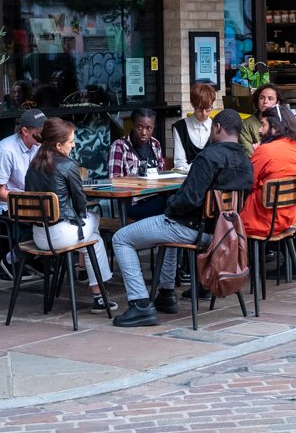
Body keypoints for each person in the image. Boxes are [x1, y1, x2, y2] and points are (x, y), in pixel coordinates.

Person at [111, 111, 254, 327]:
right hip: (224, 235)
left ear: (216, 128)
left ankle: (139, 304)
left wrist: (170, 206)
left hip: (193, 229)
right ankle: (167, 293)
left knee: (121, 238)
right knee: (167, 235)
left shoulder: (208, 157)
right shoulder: (246, 161)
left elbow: (189, 199)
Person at [22, 117, 115, 314]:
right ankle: (96, 291)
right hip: (61, 236)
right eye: (71, 141)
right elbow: (81, 206)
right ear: (58, 144)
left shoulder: (33, 165)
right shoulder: (67, 165)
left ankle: (90, 278)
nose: (74, 145)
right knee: (95, 219)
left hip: (39, 237)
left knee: (94, 239)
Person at [0, 108, 46, 280]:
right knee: (44, 220)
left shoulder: (38, 146)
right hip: (8, 203)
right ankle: (10, 260)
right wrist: (29, 199)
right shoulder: (6, 151)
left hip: (33, 198)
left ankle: (34, 258)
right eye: (38, 132)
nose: (42, 136)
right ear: (25, 131)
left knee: (60, 215)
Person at [241, 105, 296, 238]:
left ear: (276, 127)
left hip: (257, 221)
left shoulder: (265, 150)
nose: (260, 130)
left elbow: (246, 183)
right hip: (288, 220)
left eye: (263, 125)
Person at [172, 82, 217, 172]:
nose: (204, 113)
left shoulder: (217, 126)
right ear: (192, 104)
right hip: (187, 179)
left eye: (208, 108)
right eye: (199, 108)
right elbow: (179, 163)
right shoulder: (180, 127)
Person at [108, 108, 163, 178]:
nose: (144, 133)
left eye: (149, 128)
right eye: (139, 128)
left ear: (153, 128)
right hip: (130, 188)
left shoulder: (155, 144)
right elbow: (114, 180)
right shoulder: (119, 146)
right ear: (132, 125)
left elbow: (161, 175)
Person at [240, 83, 291, 153]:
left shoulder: (283, 122)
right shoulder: (246, 125)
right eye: (262, 98)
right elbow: (249, 153)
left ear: (277, 102)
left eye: (270, 99)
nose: (265, 102)